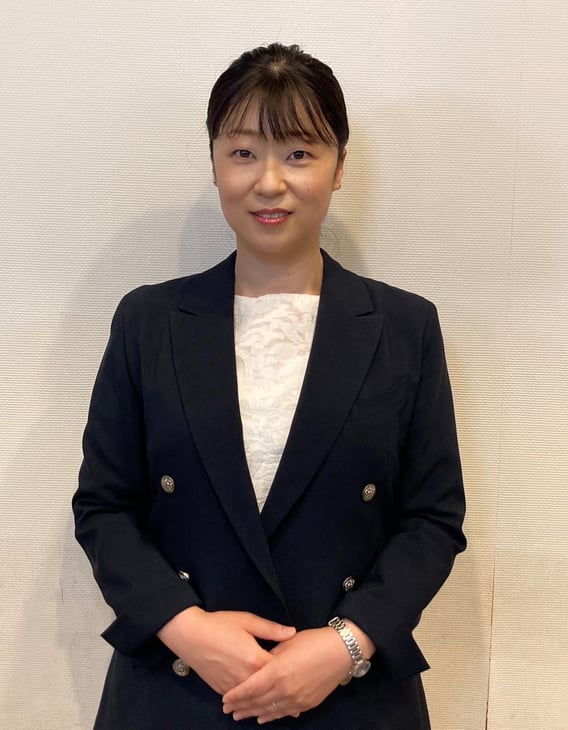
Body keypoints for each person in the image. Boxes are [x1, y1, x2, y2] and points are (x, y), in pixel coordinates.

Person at [73, 43, 466, 729]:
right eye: (244, 152)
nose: (270, 181)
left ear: (339, 167)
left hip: (349, 699)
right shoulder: (149, 321)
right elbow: (104, 507)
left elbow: (432, 519)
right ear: (215, 163)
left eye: (299, 153)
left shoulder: (405, 326)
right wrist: (187, 628)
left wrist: (347, 644)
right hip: (176, 693)